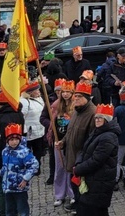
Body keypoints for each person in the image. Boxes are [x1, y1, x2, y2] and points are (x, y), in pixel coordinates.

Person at [55, 81, 97, 214]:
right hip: (73, 156)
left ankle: (81, 208)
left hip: (82, 160)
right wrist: (63, 141)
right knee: (74, 184)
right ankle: (78, 205)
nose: (75, 98)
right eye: (76, 96)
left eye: (79, 96)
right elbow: (70, 131)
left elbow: (93, 139)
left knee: (82, 187)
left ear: (87, 98)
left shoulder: (92, 113)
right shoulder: (77, 111)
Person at [73, 104, 120, 216]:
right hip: (94, 181)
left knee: (95, 210)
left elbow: (96, 160)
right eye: (96, 118)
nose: (97, 120)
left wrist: (78, 169)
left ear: (106, 120)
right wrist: (78, 162)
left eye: (100, 118)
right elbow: (84, 150)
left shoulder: (108, 137)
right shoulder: (98, 131)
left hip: (99, 183)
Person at [45, 79, 75, 208]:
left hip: (71, 143)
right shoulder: (56, 106)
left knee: (71, 169)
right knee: (59, 169)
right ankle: (59, 195)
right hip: (58, 142)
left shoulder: (75, 107)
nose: (65, 94)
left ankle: (72, 193)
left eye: (68, 92)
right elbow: (50, 122)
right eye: (64, 92)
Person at [0, 123, 38, 216]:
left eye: (16, 139)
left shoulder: (24, 152)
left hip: (20, 187)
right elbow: (4, 166)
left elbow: (34, 165)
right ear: (7, 141)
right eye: (11, 140)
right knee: (10, 210)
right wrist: (2, 173)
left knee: (22, 210)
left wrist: (25, 179)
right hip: (8, 187)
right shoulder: (4, 151)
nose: (14, 142)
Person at [20, 81, 45, 169]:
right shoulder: (24, 101)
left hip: (39, 129)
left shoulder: (39, 99)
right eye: (36, 90)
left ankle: (37, 167)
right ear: (30, 92)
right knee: (28, 150)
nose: (39, 91)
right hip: (29, 131)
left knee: (38, 151)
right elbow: (22, 116)